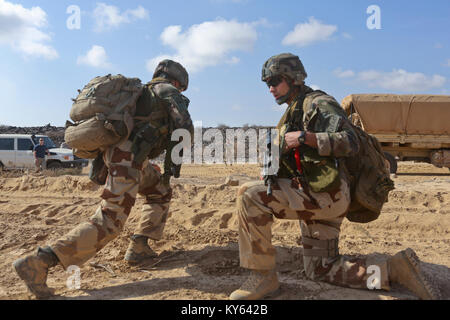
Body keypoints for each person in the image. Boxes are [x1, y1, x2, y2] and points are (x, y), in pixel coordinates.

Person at [229, 53, 439, 300]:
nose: (271, 88)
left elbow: (350, 142)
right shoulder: (294, 110)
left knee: (249, 195)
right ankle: (393, 269)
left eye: (275, 81)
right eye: (268, 84)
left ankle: (262, 277)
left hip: (325, 195)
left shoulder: (318, 103)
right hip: (320, 194)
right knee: (320, 268)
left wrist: (306, 138)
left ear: (293, 78)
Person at [13, 59, 194, 299]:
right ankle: (41, 260)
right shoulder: (166, 91)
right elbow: (185, 128)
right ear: (176, 82)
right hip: (127, 160)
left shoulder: (141, 96)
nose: (180, 92)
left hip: (125, 158)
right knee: (110, 220)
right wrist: (173, 163)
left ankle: (140, 246)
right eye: (181, 88)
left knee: (159, 190)